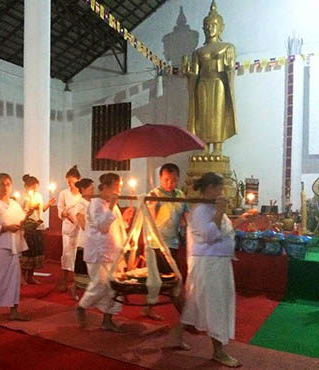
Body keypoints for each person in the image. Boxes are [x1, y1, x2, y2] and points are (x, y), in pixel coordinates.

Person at [171, 172, 247, 368]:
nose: (222, 192)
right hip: (208, 264)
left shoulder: (212, 208)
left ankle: (176, 336)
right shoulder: (200, 211)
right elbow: (209, 235)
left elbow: (224, 231)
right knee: (215, 306)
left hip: (218, 262)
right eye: (219, 188)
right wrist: (220, 212)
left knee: (196, 303)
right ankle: (218, 351)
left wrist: (240, 219)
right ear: (210, 189)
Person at [76, 173, 134, 332]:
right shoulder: (95, 203)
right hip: (99, 253)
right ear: (106, 187)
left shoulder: (111, 205)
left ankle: (107, 319)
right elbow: (102, 226)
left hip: (114, 252)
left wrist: (126, 220)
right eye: (117, 186)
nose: (119, 190)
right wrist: (112, 205)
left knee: (115, 287)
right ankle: (82, 306)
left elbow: (116, 227)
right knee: (101, 284)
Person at [181, 0, 236, 156]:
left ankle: (217, 149)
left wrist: (228, 65)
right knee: (203, 116)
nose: (211, 28)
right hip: (202, 85)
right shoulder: (198, 52)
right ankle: (204, 148)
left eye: (214, 25)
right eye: (208, 25)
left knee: (217, 114)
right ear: (204, 28)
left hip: (218, 83)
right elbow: (195, 73)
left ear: (220, 28)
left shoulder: (227, 47)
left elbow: (230, 68)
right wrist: (187, 73)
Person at [0, 173, 30, 321]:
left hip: (12, 245)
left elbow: (21, 222)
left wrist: (28, 219)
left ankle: (14, 309)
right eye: (2, 184)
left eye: (8, 184)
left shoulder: (15, 204)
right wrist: (5, 228)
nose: (6, 187)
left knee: (13, 279)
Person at [145, 163, 188, 320]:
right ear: (160, 178)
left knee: (158, 277)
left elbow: (186, 217)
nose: (170, 184)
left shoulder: (181, 195)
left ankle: (148, 307)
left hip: (173, 242)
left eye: (174, 180)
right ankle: (185, 316)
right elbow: (149, 220)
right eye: (166, 180)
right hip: (157, 244)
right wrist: (153, 206)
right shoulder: (154, 195)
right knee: (173, 279)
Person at [20, 174, 55, 285]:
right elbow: (22, 213)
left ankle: (31, 276)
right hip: (29, 226)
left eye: (36, 187)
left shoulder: (39, 196)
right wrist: (29, 209)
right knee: (28, 252)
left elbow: (41, 210)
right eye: (33, 187)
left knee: (36, 252)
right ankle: (22, 276)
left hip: (38, 226)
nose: (35, 189)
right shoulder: (24, 197)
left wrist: (48, 204)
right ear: (27, 187)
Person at [57, 165, 81, 292]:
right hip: (68, 228)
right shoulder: (63, 194)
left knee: (78, 253)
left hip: (80, 228)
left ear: (79, 180)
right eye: (68, 182)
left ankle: (77, 280)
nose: (71, 185)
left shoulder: (82, 195)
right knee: (66, 253)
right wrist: (63, 214)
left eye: (73, 182)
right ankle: (65, 279)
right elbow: (60, 209)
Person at [73, 178, 94, 299]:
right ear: (83, 190)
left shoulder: (93, 202)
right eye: (91, 188)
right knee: (82, 270)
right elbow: (83, 224)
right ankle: (75, 289)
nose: (93, 190)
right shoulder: (80, 204)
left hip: (93, 239)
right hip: (85, 240)